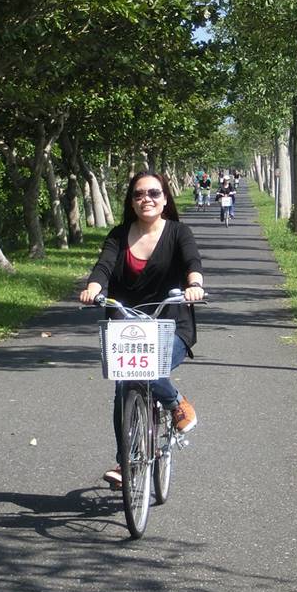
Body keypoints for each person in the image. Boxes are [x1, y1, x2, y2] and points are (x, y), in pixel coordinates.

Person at [80, 171, 206, 487]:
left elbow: (192, 262)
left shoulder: (178, 232)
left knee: (146, 369)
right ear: (131, 201)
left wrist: (194, 285)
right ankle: (127, 462)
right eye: (138, 194)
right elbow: (103, 267)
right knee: (124, 384)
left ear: (164, 199)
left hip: (170, 324)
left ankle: (175, 402)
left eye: (153, 193)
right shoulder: (118, 235)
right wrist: (93, 287)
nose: (145, 199)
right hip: (126, 326)